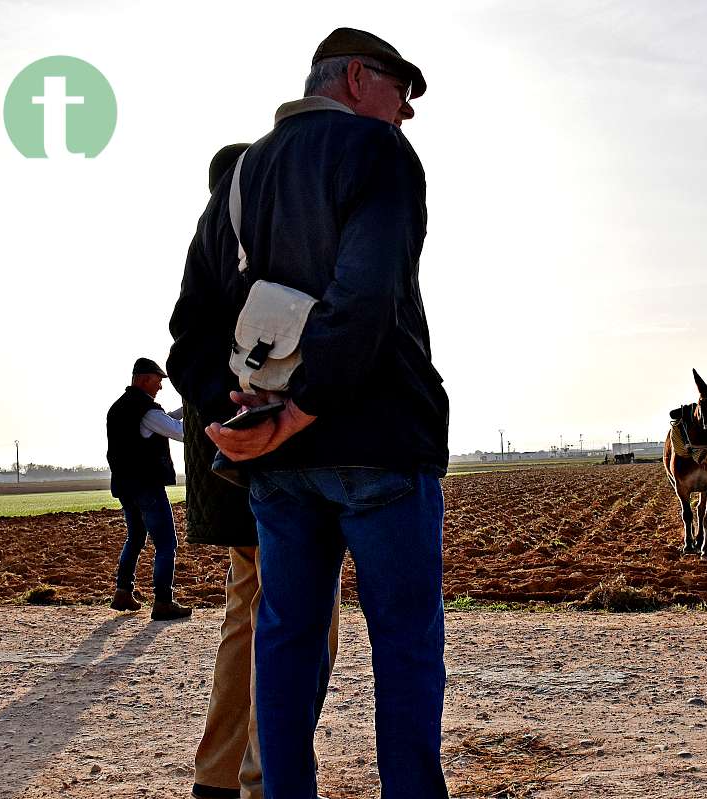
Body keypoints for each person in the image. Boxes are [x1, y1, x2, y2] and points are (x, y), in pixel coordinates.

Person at [168, 27, 449, 799]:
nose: (408, 114)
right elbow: (366, 299)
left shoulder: (241, 175)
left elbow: (190, 330)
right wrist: (305, 407)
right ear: (358, 78)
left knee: (285, 644)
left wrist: (240, 409)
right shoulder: (379, 154)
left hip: (279, 472)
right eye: (403, 92)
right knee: (405, 648)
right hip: (381, 445)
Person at [184, 145, 342, 799]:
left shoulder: (209, 253)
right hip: (268, 466)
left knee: (246, 613)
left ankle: (219, 775)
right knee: (302, 622)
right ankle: (265, 776)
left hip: (219, 464)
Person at [106, 357, 192, 621]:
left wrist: (187, 408)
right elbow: (179, 432)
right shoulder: (146, 410)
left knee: (135, 539)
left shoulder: (119, 407)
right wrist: (200, 418)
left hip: (125, 485)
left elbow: (163, 419)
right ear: (144, 379)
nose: (161, 387)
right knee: (167, 543)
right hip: (147, 485)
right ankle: (164, 601)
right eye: (158, 381)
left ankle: (123, 592)